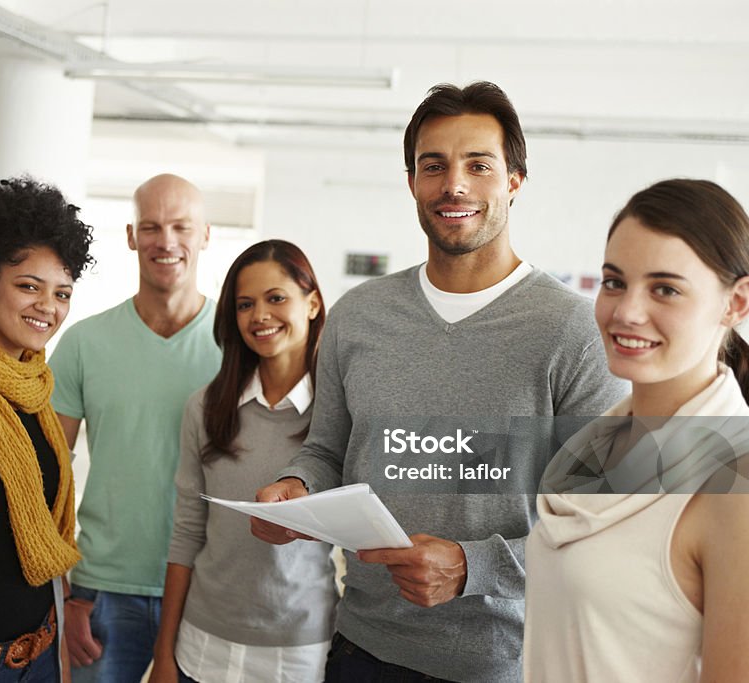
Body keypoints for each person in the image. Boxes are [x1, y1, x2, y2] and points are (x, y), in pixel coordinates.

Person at [252, 82, 627, 683]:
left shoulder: (574, 332)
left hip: (505, 662)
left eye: (479, 165)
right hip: (361, 649)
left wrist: (472, 566)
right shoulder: (359, 315)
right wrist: (297, 488)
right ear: (412, 182)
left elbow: (602, 527)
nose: (454, 185)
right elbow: (328, 449)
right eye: (434, 166)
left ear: (514, 181)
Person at [524, 179, 749, 682]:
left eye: (665, 288)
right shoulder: (592, 445)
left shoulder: (747, 488)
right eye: (615, 281)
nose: (626, 312)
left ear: (737, 303)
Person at [50, 173, 221, 682]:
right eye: (151, 227)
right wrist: (65, 594)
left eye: (180, 227)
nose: (165, 241)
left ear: (205, 234)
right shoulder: (83, 343)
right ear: (130, 236)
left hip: (205, 586)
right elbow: (45, 480)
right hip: (101, 590)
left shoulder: (238, 346)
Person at [151, 240, 338, 683]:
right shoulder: (207, 408)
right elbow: (187, 533)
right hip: (201, 644)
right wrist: (163, 653)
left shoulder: (338, 412)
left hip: (299, 651)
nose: (260, 316)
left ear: (311, 304)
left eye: (276, 298)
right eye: (245, 304)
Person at [0, 177, 94, 681]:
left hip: (44, 650)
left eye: (62, 293)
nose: (47, 307)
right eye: (29, 286)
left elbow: (45, 536)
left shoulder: (38, 389)